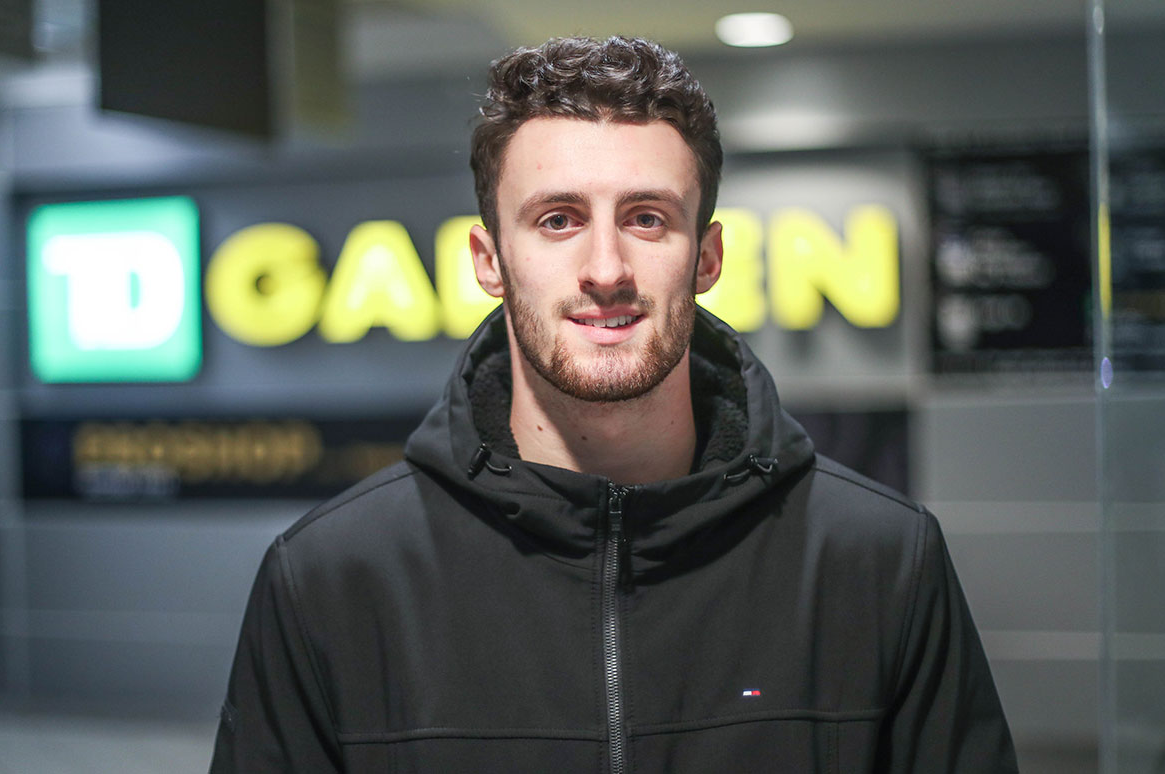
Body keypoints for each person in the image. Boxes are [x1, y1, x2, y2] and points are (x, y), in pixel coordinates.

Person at [210, 36, 1017, 773]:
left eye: (647, 218)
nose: (607, 267)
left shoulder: (877, 563)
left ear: (706, 255)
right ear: (489, 260)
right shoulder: (333, 580)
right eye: (558, 220)